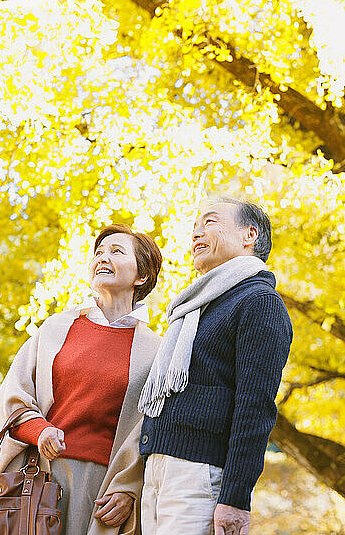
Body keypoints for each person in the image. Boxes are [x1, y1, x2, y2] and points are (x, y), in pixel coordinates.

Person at [0, 223, 163, 535]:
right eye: (99, 252)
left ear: (142, 275)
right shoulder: (56, 328)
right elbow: (12, 396)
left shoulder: (156, 351)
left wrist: (130, 491)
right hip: (38, 477)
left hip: (104, 491)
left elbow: (154, 432)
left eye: (117, 251)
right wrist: (39, 431)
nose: (103, 257)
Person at [138, 198, 293, 535]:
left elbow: (256, 407)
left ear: (249, 235)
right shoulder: (194, 307)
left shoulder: (259, 302)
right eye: (195, 226)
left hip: (200, 474)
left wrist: (236, 497)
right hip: (158, 469)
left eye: (209, 222)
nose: (196, 232)